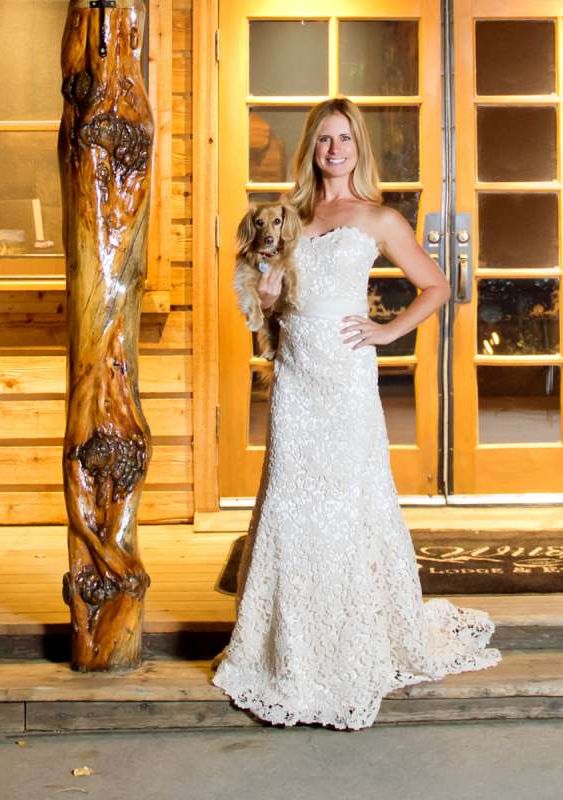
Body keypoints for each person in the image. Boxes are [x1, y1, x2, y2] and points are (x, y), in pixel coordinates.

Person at [212, 97, 500, 728]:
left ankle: (353, 639)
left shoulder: (376, 217)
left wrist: (389, 331)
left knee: (348, 503)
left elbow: (438, 286)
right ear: (310, 148)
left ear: (358, 148)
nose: (334, 150)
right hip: (295, 378)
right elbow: (266, 308)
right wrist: (263, 294)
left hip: (345, 385)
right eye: (324, 140)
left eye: (345, 139)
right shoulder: (287, 218)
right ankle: (287, 649)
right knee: (291, 504)